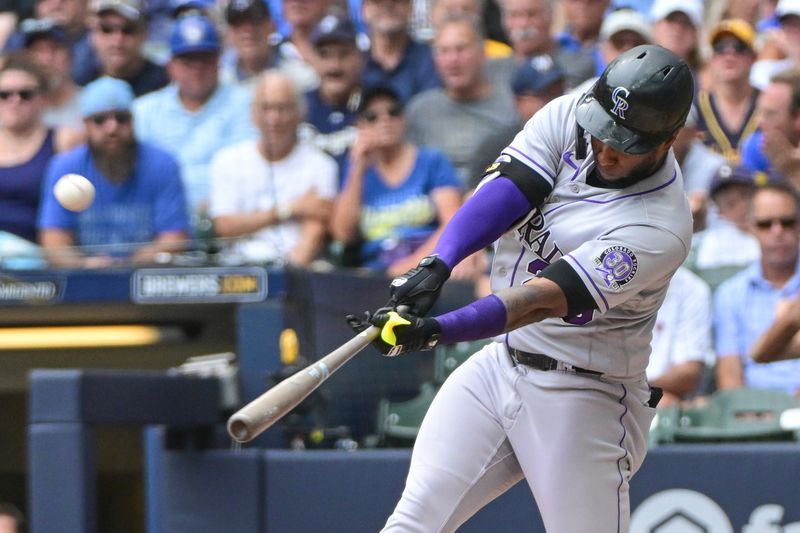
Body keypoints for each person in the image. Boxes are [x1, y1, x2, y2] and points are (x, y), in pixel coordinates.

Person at [347, 44, 694, 532]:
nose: (606, 147)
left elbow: (542, 299)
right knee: (413, 520)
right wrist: (437, 265)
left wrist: (436, 330)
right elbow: (510, 188)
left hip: (585, 393)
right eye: (603, 131)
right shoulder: (572, 112)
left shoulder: (661, 227)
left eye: (626, 141)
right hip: (500, 364)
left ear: (669, 138)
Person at [38, 76, 191, 267]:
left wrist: (126, 266)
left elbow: (174, 238)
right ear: (86, 124)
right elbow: (53, 240)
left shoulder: (162, 164)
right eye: (100, 120)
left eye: (121, 118)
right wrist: (85, 265)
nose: (112, 128)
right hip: (83, 280)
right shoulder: (65, 167)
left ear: (133, 120)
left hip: (147, 275)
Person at [132, 14, 255, 222]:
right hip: (160, 222)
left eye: (204, 58)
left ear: (218, 60)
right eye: (188, 60)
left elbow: (249, 170)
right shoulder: (144, 110)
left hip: (228, 220)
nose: (197, 69)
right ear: (171, 65)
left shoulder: (245, 103)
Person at [208, 70, 337, 266]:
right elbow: (224, 226)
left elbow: (314, 231)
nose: (274, 119)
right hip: (237, 272)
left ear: (300, 113)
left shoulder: (321, 165)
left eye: (282, 108)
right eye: (266, 108)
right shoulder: (227, 161)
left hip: (297, 271)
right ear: (253, 114)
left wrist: (284, 277)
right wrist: (290, 209)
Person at [331, 86, 463, 274]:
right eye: (372, 117)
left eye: (393, 112)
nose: (385, 120)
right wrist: (357, 168)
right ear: (360, 126)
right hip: (375, 274)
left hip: (429, 268)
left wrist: (414, 264)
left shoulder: (431, 161)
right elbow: (343, 234)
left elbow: (452, 222)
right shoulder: (357, 173)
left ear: (404, 119)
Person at [405, 14, 517, 185]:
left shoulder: (511, 101)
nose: (452, 60)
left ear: (483, 52)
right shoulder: (419, 111)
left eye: (461, 49)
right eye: (444, 51)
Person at [714, 181, 800, 396]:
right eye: (765, 224)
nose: (778, 231)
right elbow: (730, 375)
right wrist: (745, 415)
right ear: (751, 226)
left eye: (787, 222)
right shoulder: (729, 294)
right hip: (755, 413)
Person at [0, 55, 81, 245]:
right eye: (4, 94)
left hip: (39, 254)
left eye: (25, 94)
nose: (15, 101)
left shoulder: (64, 139)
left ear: (43, 98)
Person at [300, 13, 363, 175]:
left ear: (359, 58)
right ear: (311, 59)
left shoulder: (375, 105)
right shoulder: (298, 108)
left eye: (343, 54)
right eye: (324, 55)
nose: (334, 66)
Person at [685, 164, 762, 290]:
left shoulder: (782, 231)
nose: (742, 207)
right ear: (720, 212)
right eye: (730, 204)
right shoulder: (702, 247)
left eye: (746, 196)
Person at [694, 19, 760, 165]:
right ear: (711, 59)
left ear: (754, 57)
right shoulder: (694, 107)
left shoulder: (768, 104)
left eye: (739, 47)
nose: (729, 54)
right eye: (720, 48)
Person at [647, 266, 713, 407]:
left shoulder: (692, 288)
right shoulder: (605, 282)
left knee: (665, 403)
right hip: (604, 392)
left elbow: (687, 374)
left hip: (655, 395)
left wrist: (635, 390)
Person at [360, 0, 441, 103]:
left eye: (397, 0)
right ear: (363, 10)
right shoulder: (354, 65)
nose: (388, 5)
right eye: (377, 1)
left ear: (411, 7)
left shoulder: (433, 60)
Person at [86, 0, 168, 96]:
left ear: (145, 33)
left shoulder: (166, 84)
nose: (117, 40)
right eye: (106, 29)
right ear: (91, 35)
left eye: (128, 30)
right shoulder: (81, 82)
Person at [19, 17, 82, 128]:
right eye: (37, 50)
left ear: (70, 55)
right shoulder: (12, 107)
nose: (46, 59)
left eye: (55, 49)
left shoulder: (89, 104)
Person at [741, 66, 800, 179]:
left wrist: (793, 171)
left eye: (769, 114)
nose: (758, 122)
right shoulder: (757, 146)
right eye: (759, 111)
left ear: (797, 117)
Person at [218, 0, 279, 89]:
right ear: (229, 33)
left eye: (254, 22)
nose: (247, 30)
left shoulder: (296, 75)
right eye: (238, 23)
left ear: (271, 26)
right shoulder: (220, 82)